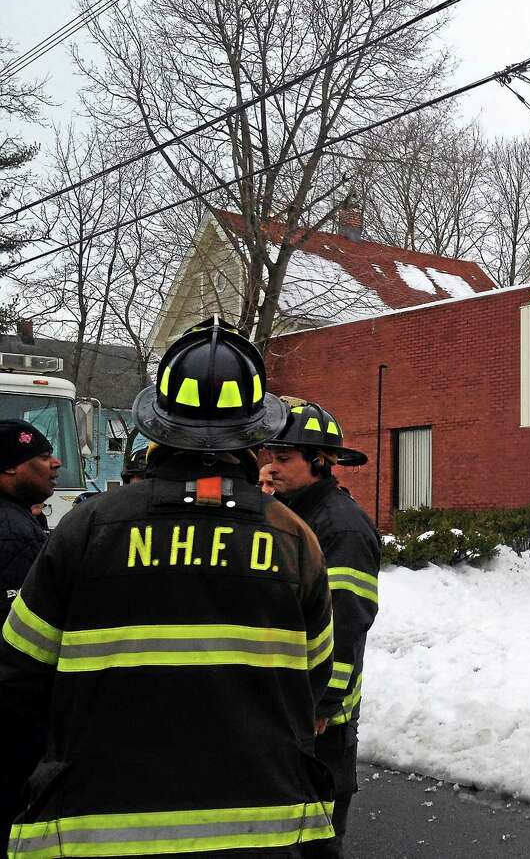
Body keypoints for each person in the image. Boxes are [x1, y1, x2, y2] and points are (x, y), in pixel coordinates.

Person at [0, 318, 338, 857]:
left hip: (98, 832)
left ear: (157, 427)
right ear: (253, 436)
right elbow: (316, 675)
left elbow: (18, 676)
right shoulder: (294, 539)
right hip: (266, 834)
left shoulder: (86, 530)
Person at [265, 400, 379, 858]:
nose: (271, 467)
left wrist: (324, 702)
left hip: (321, 719)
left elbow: (346, 620)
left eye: (283, 458)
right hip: (289, 707)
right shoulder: (291, 514)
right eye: (269, 456)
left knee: (318, 837)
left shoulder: (341, 528)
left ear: (319, 461)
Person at [0, 420, 60, 855]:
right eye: (41, 456)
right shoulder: (15, 534)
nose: (54, 463)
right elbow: (20, 643)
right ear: (9, 470)